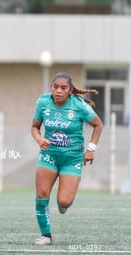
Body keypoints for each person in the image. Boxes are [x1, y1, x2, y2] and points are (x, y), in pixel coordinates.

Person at [31, 72, 103, 245]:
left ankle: (63, 202)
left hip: (72, 158)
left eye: (63, 88)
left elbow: (98, 124)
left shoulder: (78, 105)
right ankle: (46, 236)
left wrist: (91, 149)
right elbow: (34, 127)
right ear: (51, 88)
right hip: (49, 156)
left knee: (64, 201)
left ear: (70, 90)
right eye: (55, 87)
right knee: (41, 194)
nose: (58, 91)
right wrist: (40, 139)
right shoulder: (43, 102)